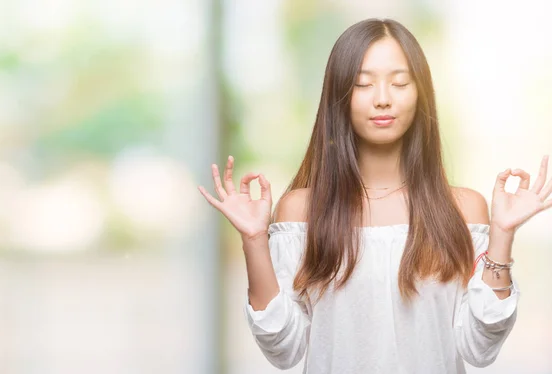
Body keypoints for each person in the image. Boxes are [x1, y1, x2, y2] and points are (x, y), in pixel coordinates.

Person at [198, 18, 552, 374]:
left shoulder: (462, 209)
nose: (383, 99)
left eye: (399, 83)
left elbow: (479, 348)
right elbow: (284, 350)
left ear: (421, 93)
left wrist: (502, 235)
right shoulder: (302, 211)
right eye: (363, 84)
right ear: (339, 96)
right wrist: (255, 240)